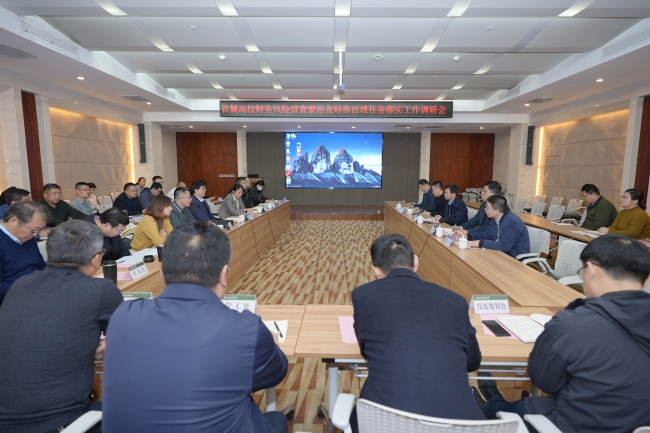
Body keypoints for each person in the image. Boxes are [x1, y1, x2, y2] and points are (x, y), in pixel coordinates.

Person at [102, 222, 289, 433]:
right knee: (275, 419)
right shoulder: (245, 329)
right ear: (223, 274)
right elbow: (276, 373)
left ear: (162, 273)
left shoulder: (123, 316)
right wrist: (271, 344)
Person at [477, 234, 650, 433]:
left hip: (577, 424)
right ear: (647, 279)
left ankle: (492, 404)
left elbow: (544, 381)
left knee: (519, 407)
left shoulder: (573, 323)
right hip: (638, 424)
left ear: (592, 270)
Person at [350, 234, 483, 432]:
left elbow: (366, 350)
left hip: (382, 423)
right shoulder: (455, 301)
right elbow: (472, 362)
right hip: (460, 426)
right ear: (416, 262)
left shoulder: (363, 296)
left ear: (376, 269)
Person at [0, 220, 124, 433]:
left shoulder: (20, 285)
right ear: (96, 258)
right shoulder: (102, 290)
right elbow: (125, 343)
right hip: (60, 423)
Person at [0, 201, 48, 307]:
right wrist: (33, 289)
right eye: (33, 230)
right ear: (13, 221)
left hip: (37, 290)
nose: (35, 235)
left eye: (38, 231)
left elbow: (41, 266)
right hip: (12, 300)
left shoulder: (28, 238)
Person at [463, 195, 530, 258]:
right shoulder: (495, 218)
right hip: (498, 253)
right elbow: (487, 235)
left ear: (497, 211)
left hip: (514, 258)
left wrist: (479, 243)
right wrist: (467, 236)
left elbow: (504, 246)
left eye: (487, 207)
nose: (485, 209)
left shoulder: (512, 222)